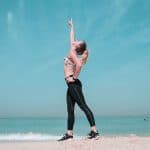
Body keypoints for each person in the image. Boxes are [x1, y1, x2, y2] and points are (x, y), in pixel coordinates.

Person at [58, 18, 99, 141]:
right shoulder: (73, 50)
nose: (74, 41)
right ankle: (69, 134)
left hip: (74, 84)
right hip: (71, 85)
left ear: (77, 46)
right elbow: (72, 37)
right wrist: (72, 27)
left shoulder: (72, 52)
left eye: (77, 41)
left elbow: (79, 66)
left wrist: (74, 77)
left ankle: (95, 131)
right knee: (70, 110)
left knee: (83, 106)